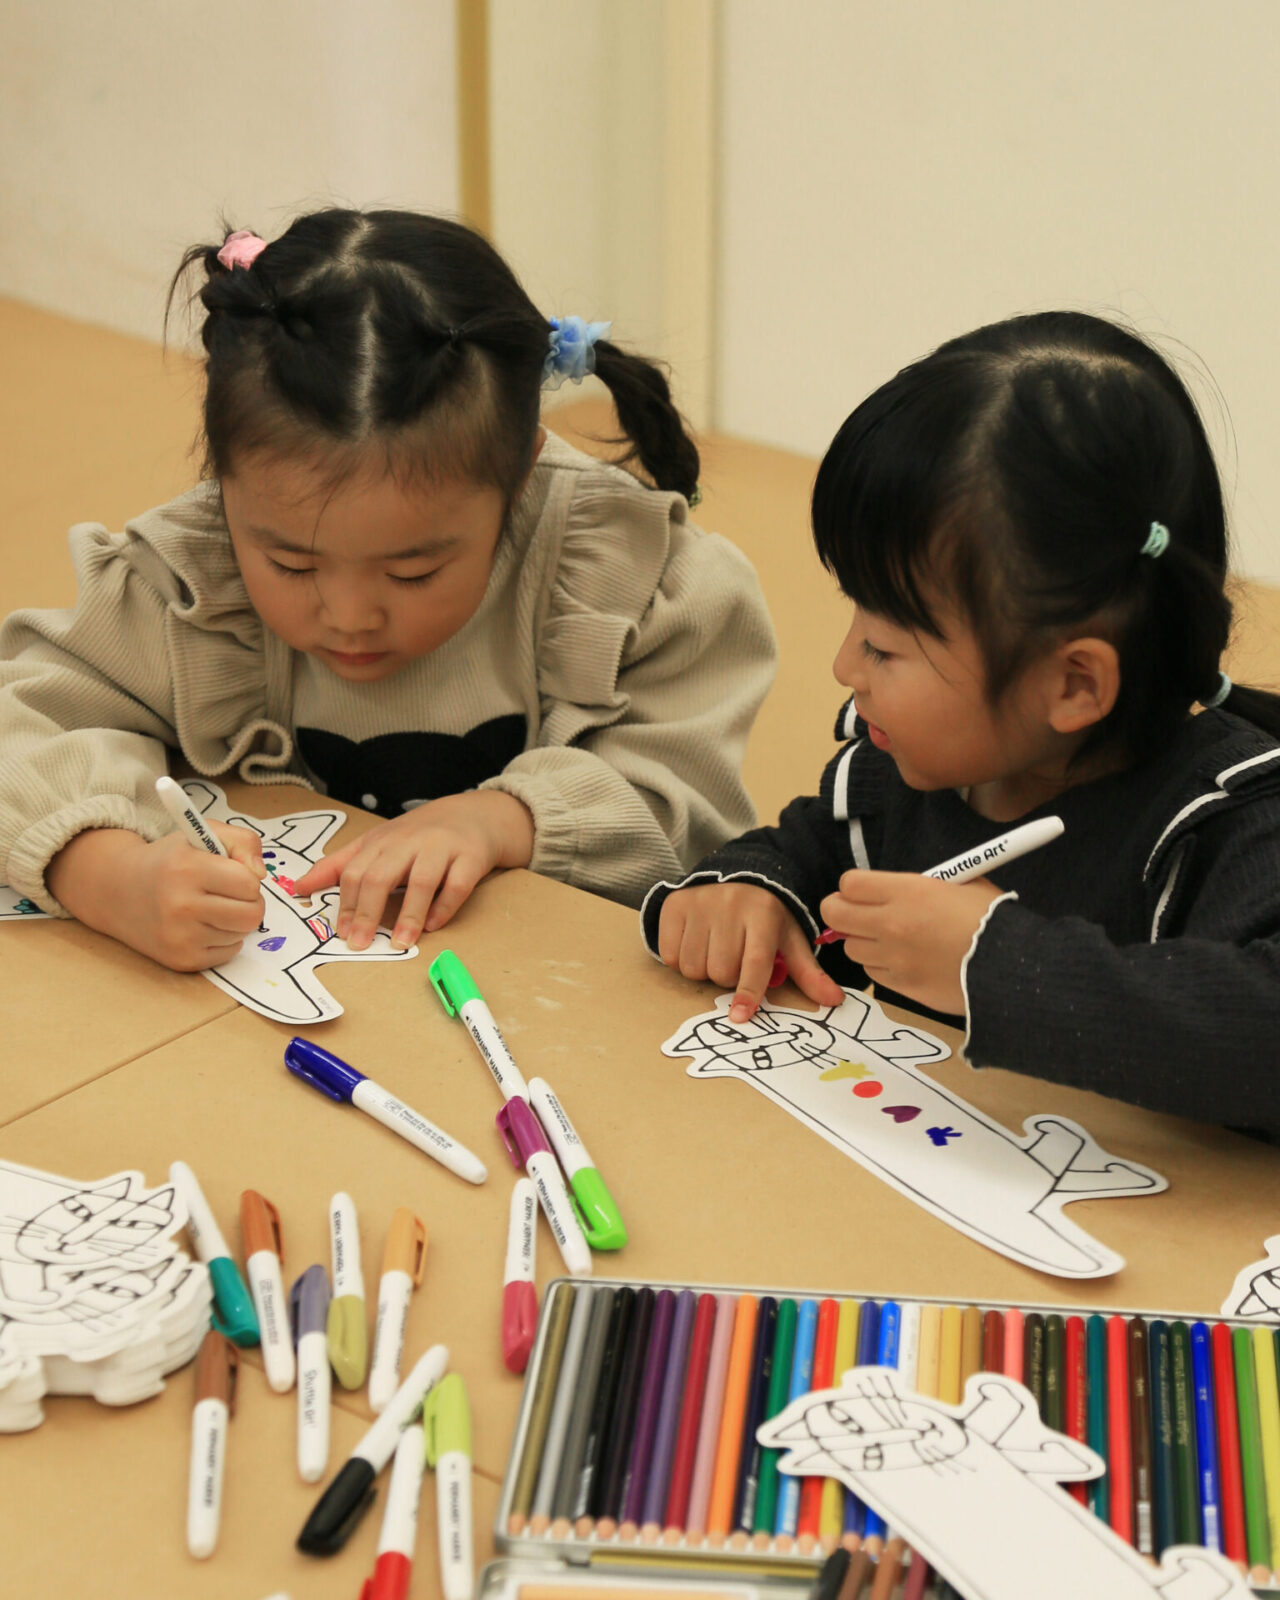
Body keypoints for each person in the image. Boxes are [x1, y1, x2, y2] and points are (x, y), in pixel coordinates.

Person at [0, 209, 775, 972]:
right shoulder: (192, 578)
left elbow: (689, 810)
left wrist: (505, 818)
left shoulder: (631, 576)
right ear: (224, 485)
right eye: (292, 565)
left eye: (412, 573)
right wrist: (107, 874)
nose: (349, 618)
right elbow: (28, 719)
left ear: (520, 475)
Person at [644, 311, 1280, 1134]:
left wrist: (1002, 968)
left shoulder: (1229, 822)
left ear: (1074, 684)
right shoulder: (907, 774)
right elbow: (801, 854)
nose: (844, 666)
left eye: (885, 645)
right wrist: (746, 893)